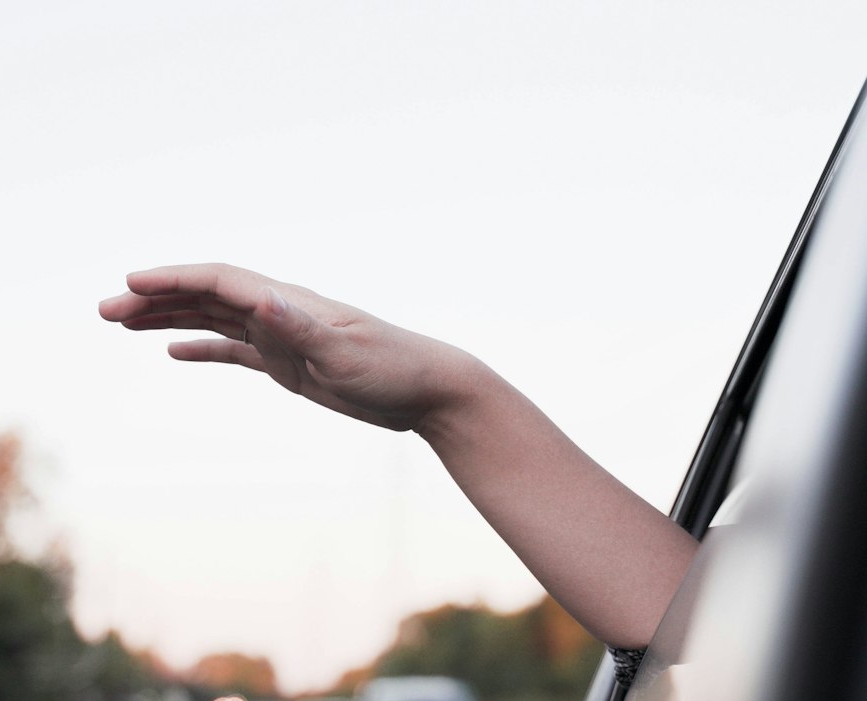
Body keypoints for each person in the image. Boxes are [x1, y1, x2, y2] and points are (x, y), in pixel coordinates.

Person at [99, 264, 698, 675]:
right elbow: (697, 636)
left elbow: (696, 644)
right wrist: (444, 402)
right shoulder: (721, 632)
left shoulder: (724, 638)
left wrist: (446, 399)